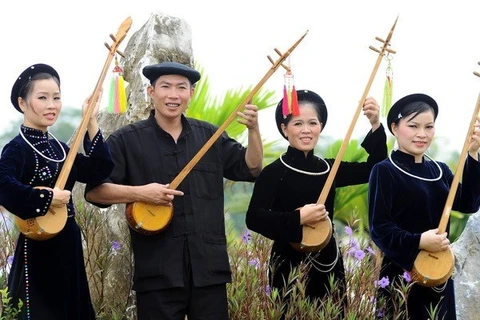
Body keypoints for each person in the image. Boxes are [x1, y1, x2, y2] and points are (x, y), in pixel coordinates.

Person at [85, 61, 263, 320]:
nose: (173, 94)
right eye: (165, 86)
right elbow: (95, 192)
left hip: (209, 270)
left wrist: (253, 129)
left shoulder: (210, 136)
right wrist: (141, 193)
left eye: (181, 88)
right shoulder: (127, 139)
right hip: (157, 271)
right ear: (151, 92)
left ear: (191, 94)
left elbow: (252, 168)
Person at [245, 89, 387, 316]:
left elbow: (375, 169)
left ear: (320, 126)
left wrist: (375, 124)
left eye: (312, 123)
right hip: (287, 266)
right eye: (297, 123)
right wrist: (298, 218)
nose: (306, 130)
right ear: (284, 129)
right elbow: (254, 217)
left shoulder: (329, 169)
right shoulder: (274, 172)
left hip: (328, 263)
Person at [0, 63, 114, 319]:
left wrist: (92, 121)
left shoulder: (61, 149)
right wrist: (48, 197)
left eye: (56, 97)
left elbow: (99, 169)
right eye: (42, 98)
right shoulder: (17, 149)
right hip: (37, 248)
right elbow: (4, 187)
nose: (52, 105)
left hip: (67, 245)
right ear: (22, 103)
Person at [368, 93, 480, 320]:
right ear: (395, 127)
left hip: (439, 274)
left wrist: (473, 153)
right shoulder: (385, 170)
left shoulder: (439, 170)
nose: (422, 134)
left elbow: (469, 203)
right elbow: (380, 227)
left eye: (428, 127)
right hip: (401, 277)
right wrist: (419, 241)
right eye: (413, 126)